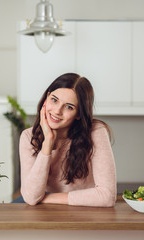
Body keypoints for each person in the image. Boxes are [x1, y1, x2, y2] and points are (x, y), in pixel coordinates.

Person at [17, 73, 116, 207]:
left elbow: (107, 196)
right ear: (46, 98)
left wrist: (46, 198)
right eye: (54, 100)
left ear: (79, 114)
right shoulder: (29, 137)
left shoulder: (96, 131)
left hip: (85, 213)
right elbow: (30, 197)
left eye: (69, 107)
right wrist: (48, 143)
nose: (57, 111)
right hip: (47, 214)